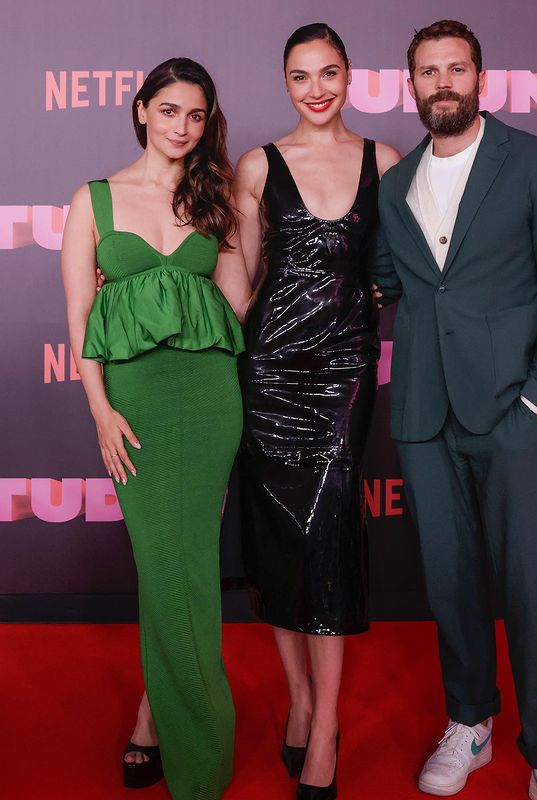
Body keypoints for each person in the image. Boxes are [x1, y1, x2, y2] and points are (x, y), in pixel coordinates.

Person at [373, 20, 537, 800]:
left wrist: (535, 401)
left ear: (480, 78)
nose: (443, 82)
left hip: (510, 414)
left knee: (534, 588)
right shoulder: (394, 186)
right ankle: (469, 722)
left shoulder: (536, 161)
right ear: (411, 86)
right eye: (428, 71)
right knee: (449, 584)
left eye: (456, 68)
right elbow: (384, 283)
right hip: (424, 417)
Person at [61, 57, 251, 799]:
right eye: (169, 110)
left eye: (196, 115)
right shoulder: (94, 200)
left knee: (190, 568)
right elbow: (80, 317)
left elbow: (235, 303)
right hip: (133, 405)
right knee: (163, 566)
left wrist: (179, 302)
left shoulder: (216, 197)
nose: (183, 127)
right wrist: (101, 410)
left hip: (208, 399)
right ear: (141, 110)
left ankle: (172, 732)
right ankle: (181, 730)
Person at [233, 22, 399, 800]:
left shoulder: (384, 162)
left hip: (343, 372)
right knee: (278, 539)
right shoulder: (258, 165)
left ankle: (327, 725)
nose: (316, 89)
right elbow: (238, 283)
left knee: (328, 536)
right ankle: (299, 700)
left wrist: (386, 283)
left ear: (349, 75)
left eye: (328, 73)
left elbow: (413, 259)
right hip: (268, 369)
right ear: (285, 83)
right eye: (301, 76)